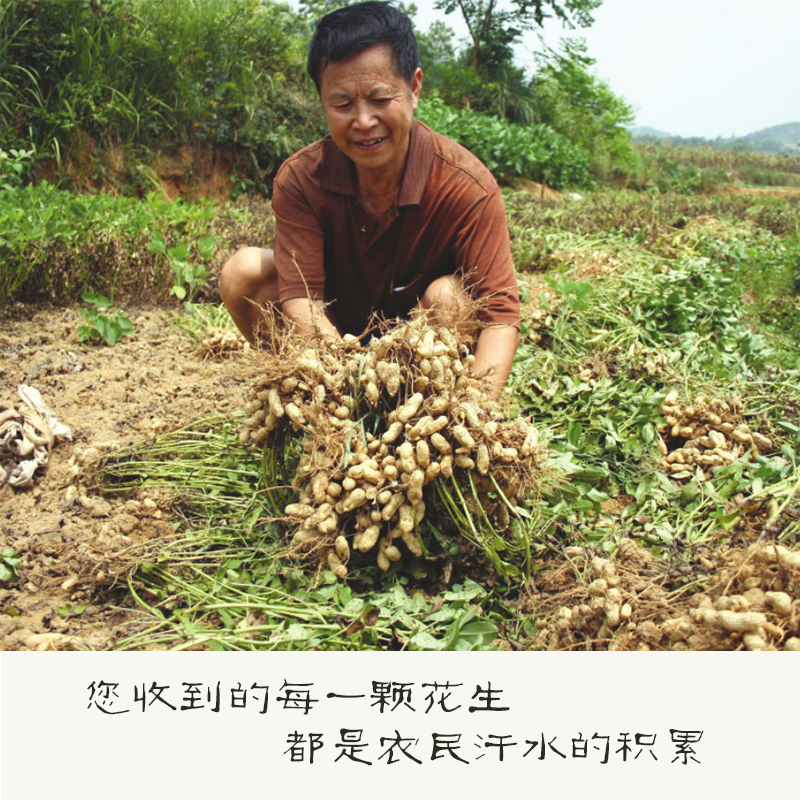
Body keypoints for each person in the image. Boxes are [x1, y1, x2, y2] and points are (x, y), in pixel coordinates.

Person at [219, 1, 520, 396]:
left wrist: (476, 412)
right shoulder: (300, 179)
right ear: (321, 98)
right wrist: (349, 385)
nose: (363, 122)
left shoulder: (466, 185)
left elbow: (499, 316)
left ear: (414, 88)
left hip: (425, 356)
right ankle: (313, 398)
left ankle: (430, 402)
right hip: (333, 345)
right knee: (244, 272)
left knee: (450, 297)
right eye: (342, 104)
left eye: (380, 99)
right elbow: (302, 301)